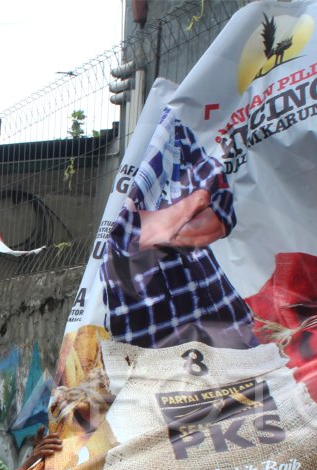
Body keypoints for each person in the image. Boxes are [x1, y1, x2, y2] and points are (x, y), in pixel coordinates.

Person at [105, 107, 257, 350]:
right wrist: (192, 205)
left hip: (228, 327)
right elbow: (129, 234)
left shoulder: (179, 131)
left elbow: (222, 212)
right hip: (152, 343)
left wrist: (166, 221)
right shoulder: (152, 141)